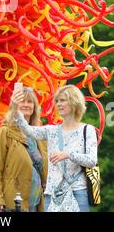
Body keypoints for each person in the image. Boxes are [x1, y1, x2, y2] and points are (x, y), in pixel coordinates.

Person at [11, 84, 98, 212]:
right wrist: (14, 106)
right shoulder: (51, 130)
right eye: (57, 101)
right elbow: (27, 129)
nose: (58, 104)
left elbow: (92, 160)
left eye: (62, 100)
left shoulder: (87, 130)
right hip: (52, 195)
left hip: (77, 192)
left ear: (74, 101)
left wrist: (68, 154)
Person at [0, 87, 48, 212]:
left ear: (35, 107)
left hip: (37, 202)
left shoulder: (39, 134)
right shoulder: (5, 131)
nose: (26, 105)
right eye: (22, 101)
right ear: (15, 105)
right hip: (14, 202)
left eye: (30, 102)